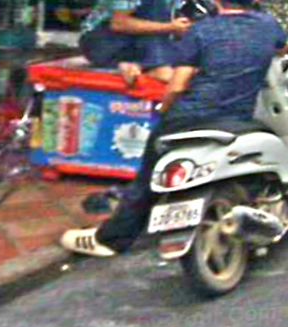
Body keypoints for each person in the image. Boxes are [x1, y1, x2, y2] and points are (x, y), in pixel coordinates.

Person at [61, 0, 288, 257]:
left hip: (186, 117)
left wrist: (164, 109)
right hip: (236, 118)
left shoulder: (201, 31)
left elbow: (178, 86)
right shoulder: (268, 26)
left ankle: (111, 240)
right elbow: (282, 49)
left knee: (146, 180)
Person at [79, 0, 193, 83]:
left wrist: (181, 29)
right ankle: (156, 65)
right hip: (102, 41)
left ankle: (141, 65)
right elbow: (118, 23)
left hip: (139, 43)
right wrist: (170, 27)